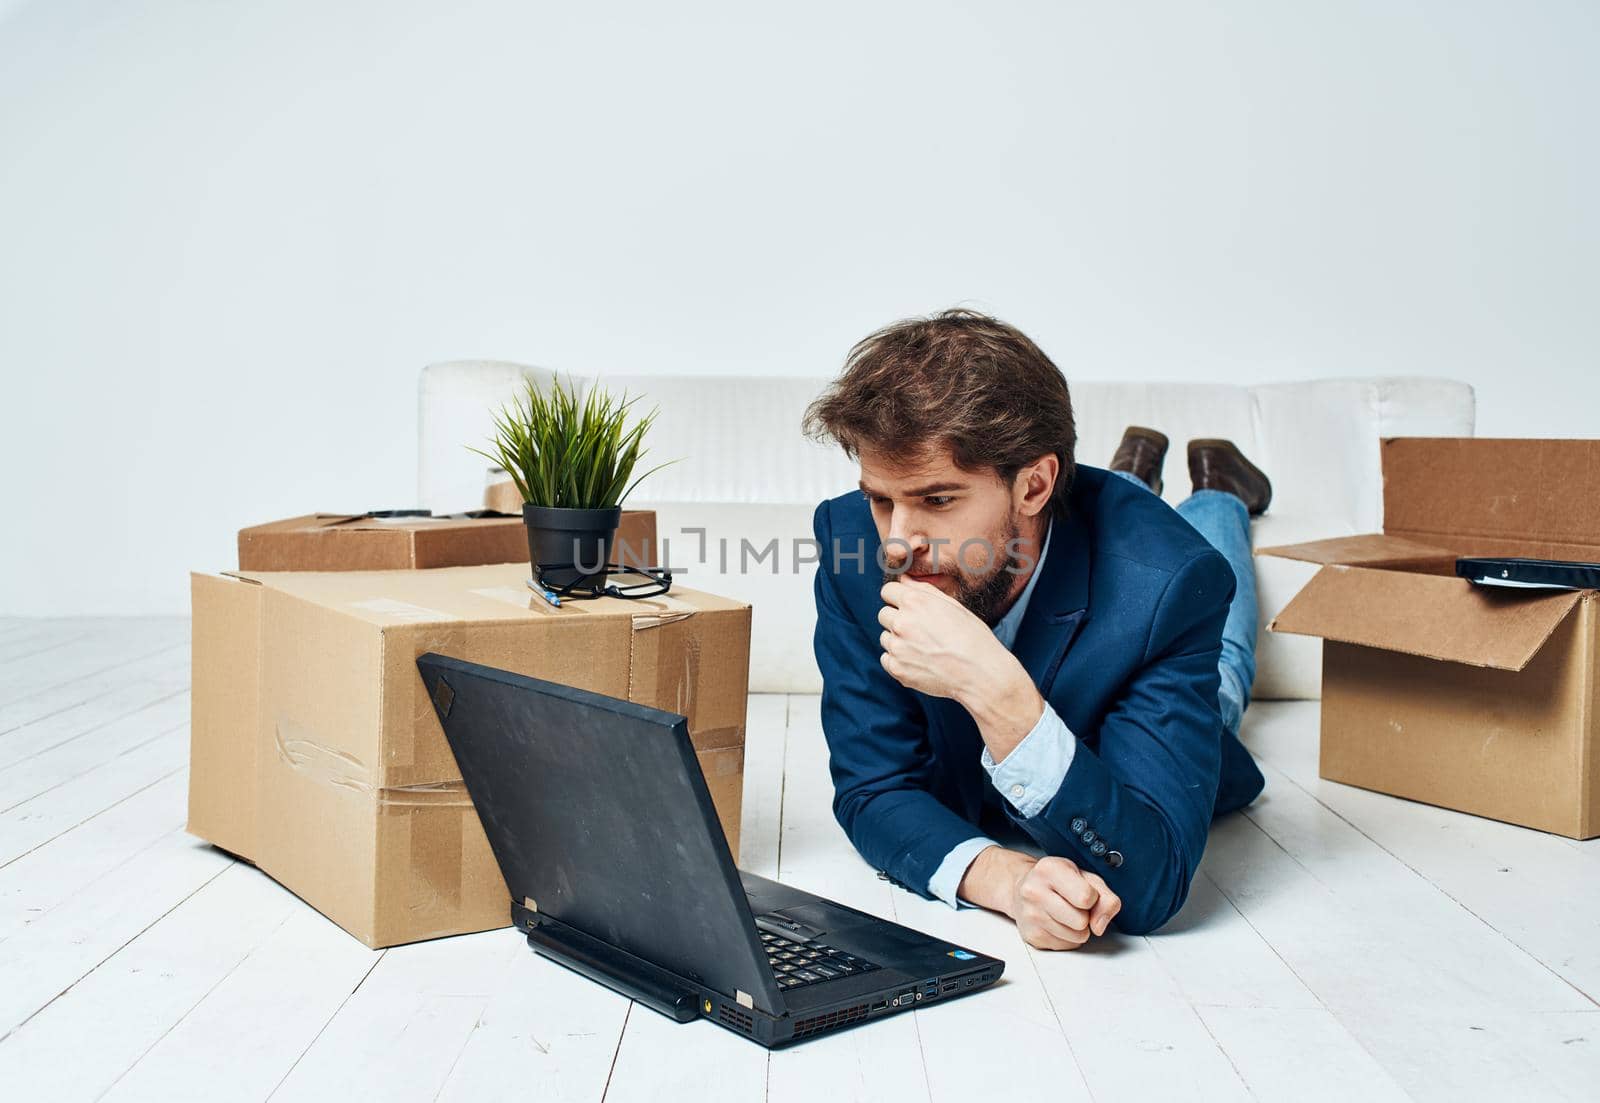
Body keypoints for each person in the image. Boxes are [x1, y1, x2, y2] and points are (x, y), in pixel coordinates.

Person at [801, 309, 1268, 948]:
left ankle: (1221, 493)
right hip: (1076, 534)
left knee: (1228, 673)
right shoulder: (853, 542)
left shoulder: (1170, 585)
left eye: (938, 501)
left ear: (1035, 483)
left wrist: (995, 690)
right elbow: (874, 789)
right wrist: (1007, 879)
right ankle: (1133, 473)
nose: (897, 543)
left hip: (1154, 634)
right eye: (882, 499)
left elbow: (1152, 879)